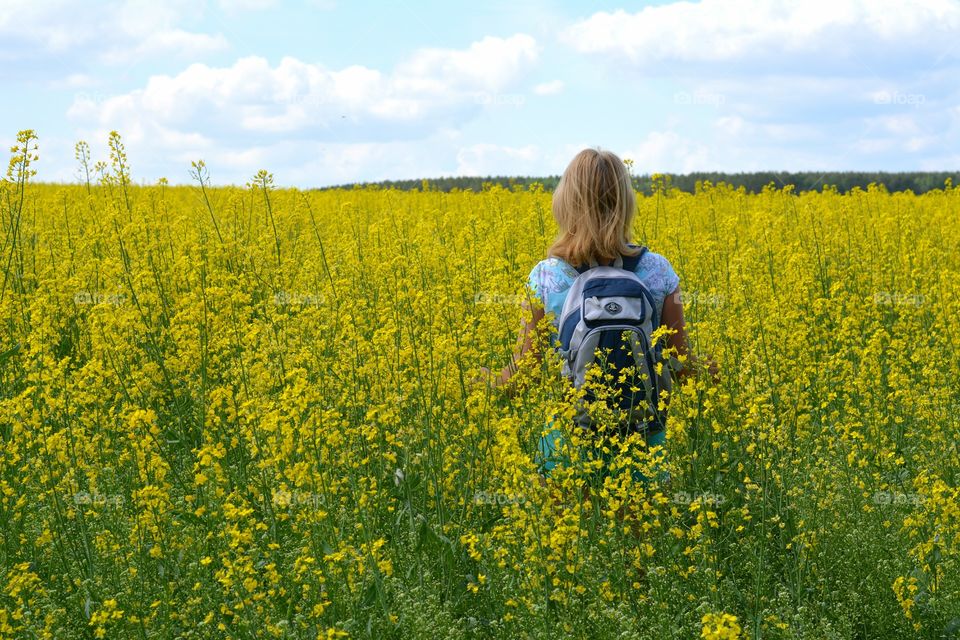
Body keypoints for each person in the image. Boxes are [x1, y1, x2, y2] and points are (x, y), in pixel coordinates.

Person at [478, 147, 717, 483]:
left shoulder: (545, 277)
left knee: (568, 535)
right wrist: (720, 375)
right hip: (642, 439)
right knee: (642, 533)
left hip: (567, 441)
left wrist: (481, 382)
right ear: (625, 203)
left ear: (565, 203)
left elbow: (525, 375)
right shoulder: (658, 271)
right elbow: (681, 364)